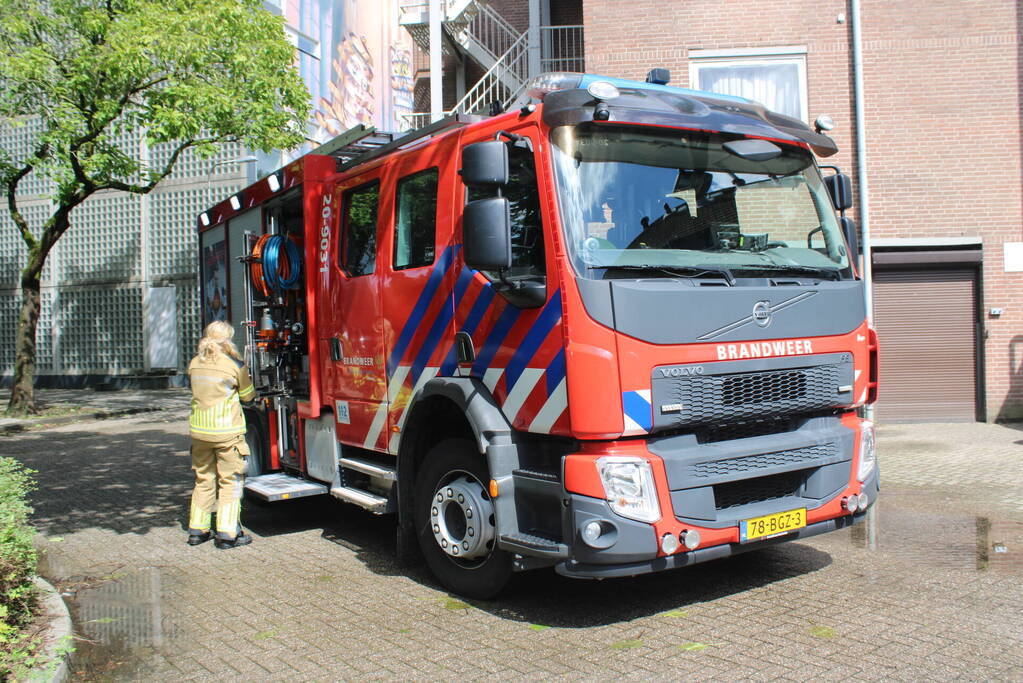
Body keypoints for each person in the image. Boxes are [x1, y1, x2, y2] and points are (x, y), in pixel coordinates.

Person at [186, 321, 256, 549]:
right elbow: (248, 396)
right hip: (227, 433)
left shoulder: (194, 363)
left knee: (204, 480)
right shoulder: (234, 365)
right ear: (227, 340)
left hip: (199, 433)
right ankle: (227, 534)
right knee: (230, 482)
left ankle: (197, 530)